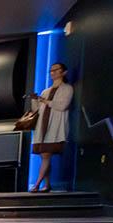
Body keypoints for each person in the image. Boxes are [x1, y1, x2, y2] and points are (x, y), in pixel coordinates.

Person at [30, 62, 72, 193]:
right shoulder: (45, 91)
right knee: (44, 156)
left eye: (56, 70)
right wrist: (35, 100)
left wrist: (45, 101)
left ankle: (37, 184)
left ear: (63, 72)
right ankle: (47, 184)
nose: (52, 72)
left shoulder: (67, 88)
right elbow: (36, 110)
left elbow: (62, 105)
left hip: (55, 127)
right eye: (51, 70)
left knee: (46, 155)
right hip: (43, 126)